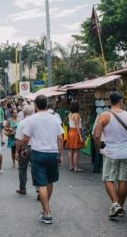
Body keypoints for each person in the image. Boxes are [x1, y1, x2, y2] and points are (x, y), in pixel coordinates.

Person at [19, 95, 63, 224]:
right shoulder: (54, 119)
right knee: (49, 182)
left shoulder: (32, 119)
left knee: (41, 184)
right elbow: (60, 138)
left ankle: (47, 213)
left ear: (36, 106)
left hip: (38, 153)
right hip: (52, 153)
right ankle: (45, 209)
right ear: (47, 104)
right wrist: (60, 155)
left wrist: (23, 149)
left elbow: (26, 138)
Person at [94, 91, 127, 218]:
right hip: (125, 152)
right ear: (121, 101)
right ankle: (120, 206)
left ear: (110, 102)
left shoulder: (104, 116)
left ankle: (115, 203)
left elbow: (97, 136)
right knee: (123, 179)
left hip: (111, 152)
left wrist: (98, 149)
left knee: (108, 178)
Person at [14, 104, 34, 195]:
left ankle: (22, 188)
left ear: (24, 113)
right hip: (36, 148)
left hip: (25, 147)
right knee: (36, 168)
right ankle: (39, 189)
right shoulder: (36, 121)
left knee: (22, 168)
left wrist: (16, 152)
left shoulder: (21, 123)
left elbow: (19, 139)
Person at [66, 100, 85, 172]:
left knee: (70, 150)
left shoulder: (70, 114)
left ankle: (71, 166)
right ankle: (76, 167)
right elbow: (77, 126)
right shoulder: (76, 115)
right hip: (75, 132)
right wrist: (80, 136)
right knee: (76, 151)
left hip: (70, 132)